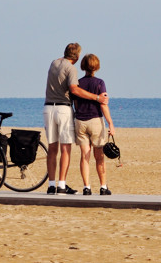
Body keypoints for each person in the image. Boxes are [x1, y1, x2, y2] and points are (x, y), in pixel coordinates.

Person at [43, 42, 106, 195]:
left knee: (52, 148)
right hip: (63, 109)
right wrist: (96, 97)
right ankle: (62, 185)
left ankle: (51, 185)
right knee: (65, 148)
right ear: (77, 57)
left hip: (48, 108)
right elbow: (73, 89)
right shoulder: (71, 68)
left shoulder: (53, 63)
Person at [73, 53, 116, 196]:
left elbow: (76, 104)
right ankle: (103, 187)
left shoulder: (78, 83)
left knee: (84, 156)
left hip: (80, 121)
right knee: (99, 156)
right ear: (96, 66)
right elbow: (103, 105)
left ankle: (87, 187)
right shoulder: (99, 83)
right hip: (95, 121)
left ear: (83, 66)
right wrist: (110, 123)